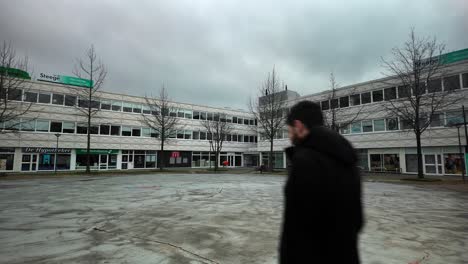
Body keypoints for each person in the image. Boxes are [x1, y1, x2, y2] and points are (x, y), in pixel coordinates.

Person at [280, 101, 363, 263]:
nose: (289, 135)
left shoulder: (305, 161)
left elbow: (296, 231)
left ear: (298, 126)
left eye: (288, 129)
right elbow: (357, 221)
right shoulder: (347, 158)